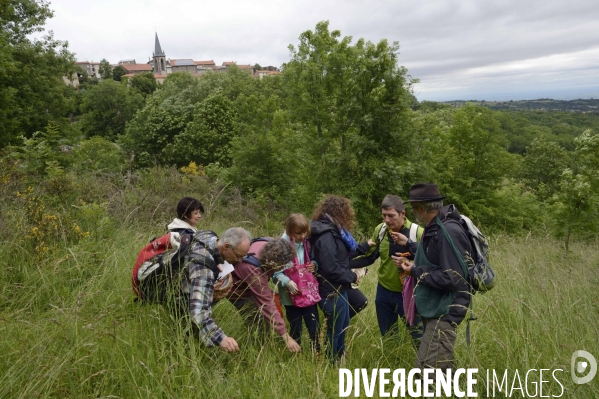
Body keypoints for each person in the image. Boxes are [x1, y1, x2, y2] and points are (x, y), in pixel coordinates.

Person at [399, 183, 472, 371]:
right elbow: (433, 258)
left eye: (414, 208)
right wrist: (410, 247)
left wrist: (415, 271)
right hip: (437, 306)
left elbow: (453, 278)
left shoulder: (447, 232)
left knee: (427, 369)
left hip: (446, 309)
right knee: (442, 364)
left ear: (422, 208)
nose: (413, 213)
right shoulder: (434, 228)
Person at [351, 194, 425, 344]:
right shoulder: (381, 230)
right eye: (384, 215)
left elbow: (429, 263)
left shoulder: (417, 232)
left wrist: (409, 261)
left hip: (409, 293)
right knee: (389, 336)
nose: (386, 220)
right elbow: (371, 257)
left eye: (391, 216)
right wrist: (340, 265)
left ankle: (426, 366)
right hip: (383, 291)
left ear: (402, 214)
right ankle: (392, 363)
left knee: (418, 337)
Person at [173, 227, 252, 352]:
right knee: (184, 334)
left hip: (181, 282)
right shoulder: (204, 269)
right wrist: (221, 338)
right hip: (178, 298)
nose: (240, 260)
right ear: (226, 246)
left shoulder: (208, 236)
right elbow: (198, 311)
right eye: (238, 256)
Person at [309, 195, 365, 361]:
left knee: (343, 324)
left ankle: (339, 356)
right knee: (334, 330)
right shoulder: (326, 235)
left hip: (340, 287)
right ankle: (331, 362)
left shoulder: (335, 231)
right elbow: (331, 267)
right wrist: (352, 276)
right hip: (330, 289)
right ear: (342, 212)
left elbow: (341, 258)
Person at [228, 238, 302, 353]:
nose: (283, 268)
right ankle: (258, 351)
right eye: (281, 265)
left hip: (250, 283)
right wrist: (285, 335)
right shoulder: (253, 270)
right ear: (272, 262)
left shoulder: (270, 244)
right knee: (258, 323)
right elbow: (266, 302)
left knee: (264, 319)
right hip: (238, 291)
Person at [272, 214, 320, 352]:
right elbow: (275, 273)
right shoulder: (281, 247)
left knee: (314, 326)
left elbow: (314, 260)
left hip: (308, 294)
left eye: (305, 232)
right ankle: (296, 355)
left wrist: (314, 265)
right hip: (290, 298)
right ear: (289, 231)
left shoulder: (307, 243)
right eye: (298, 233)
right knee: (296, 328)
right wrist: (287, 282)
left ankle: (316, 353)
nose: (302, 236)